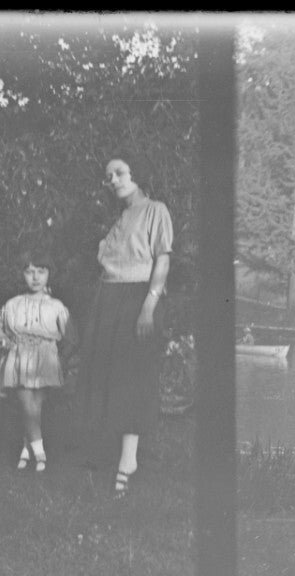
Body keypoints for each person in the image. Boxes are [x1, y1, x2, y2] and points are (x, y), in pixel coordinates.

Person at [77, 156, 174, 499]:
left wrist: (149, 304)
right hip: (109, 297)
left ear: (136, 175)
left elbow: (162, 258)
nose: (113, 179)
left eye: (119, 173)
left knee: (131, 376)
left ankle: (127, 462)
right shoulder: (118, 219)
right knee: (104, 374)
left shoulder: (155, 210)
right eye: (108, 176)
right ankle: (105, 455)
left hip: (137, 298)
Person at [0, 251, 74, 472]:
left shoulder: (56, 306)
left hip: (44, 359)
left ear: (49, 274)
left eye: (41, 271)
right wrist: (3, 341)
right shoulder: (13, 304)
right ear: (22, 274)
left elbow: (70, 338)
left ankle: (26, 449)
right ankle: (41, 454)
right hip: (19, 358)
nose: (35, 277)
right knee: (26, 405)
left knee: (35, 407)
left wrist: (60, 360)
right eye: (29, 272)